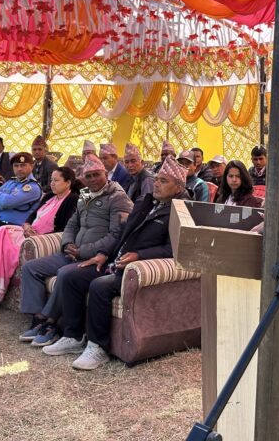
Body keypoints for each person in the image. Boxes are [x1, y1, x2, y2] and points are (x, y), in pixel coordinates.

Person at [42, 155, 189, 370]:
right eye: (157, 179)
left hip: (135, 268)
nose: (156, 183)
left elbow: (173, 249)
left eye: (163, 181)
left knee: (99, 286)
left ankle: (98, 347)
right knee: (71, 276)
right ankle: (73, 336)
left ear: (178, 187)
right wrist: (103, 253)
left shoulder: (182, 212)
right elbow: (121, 231)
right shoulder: (146, 201)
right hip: (114, 260)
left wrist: (139, 255)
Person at [18, 156, 132, 346]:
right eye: (89, 176)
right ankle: (38, 319)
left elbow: (117, 234)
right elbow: (71, 224)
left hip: (96, 257)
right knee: (31, 268)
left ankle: (50, 323)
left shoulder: (118, 197)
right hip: (72, 253)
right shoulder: (85, 195)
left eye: (97, 174)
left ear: (106, 174)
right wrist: (67, 244)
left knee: (65, 274)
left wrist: (83, 251)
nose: (93, 179)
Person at [0, 167, 79, 311]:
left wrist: (40, 237)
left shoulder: (72, 199)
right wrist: (26, 225)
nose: (52, 183)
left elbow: (65, 228)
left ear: (68, 182)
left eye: (56, 180)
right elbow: (33, 215)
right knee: (0, 232)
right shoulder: (49, 196)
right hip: (28, 231)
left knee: (6, 245)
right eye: (51, 180)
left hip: (42, 238)